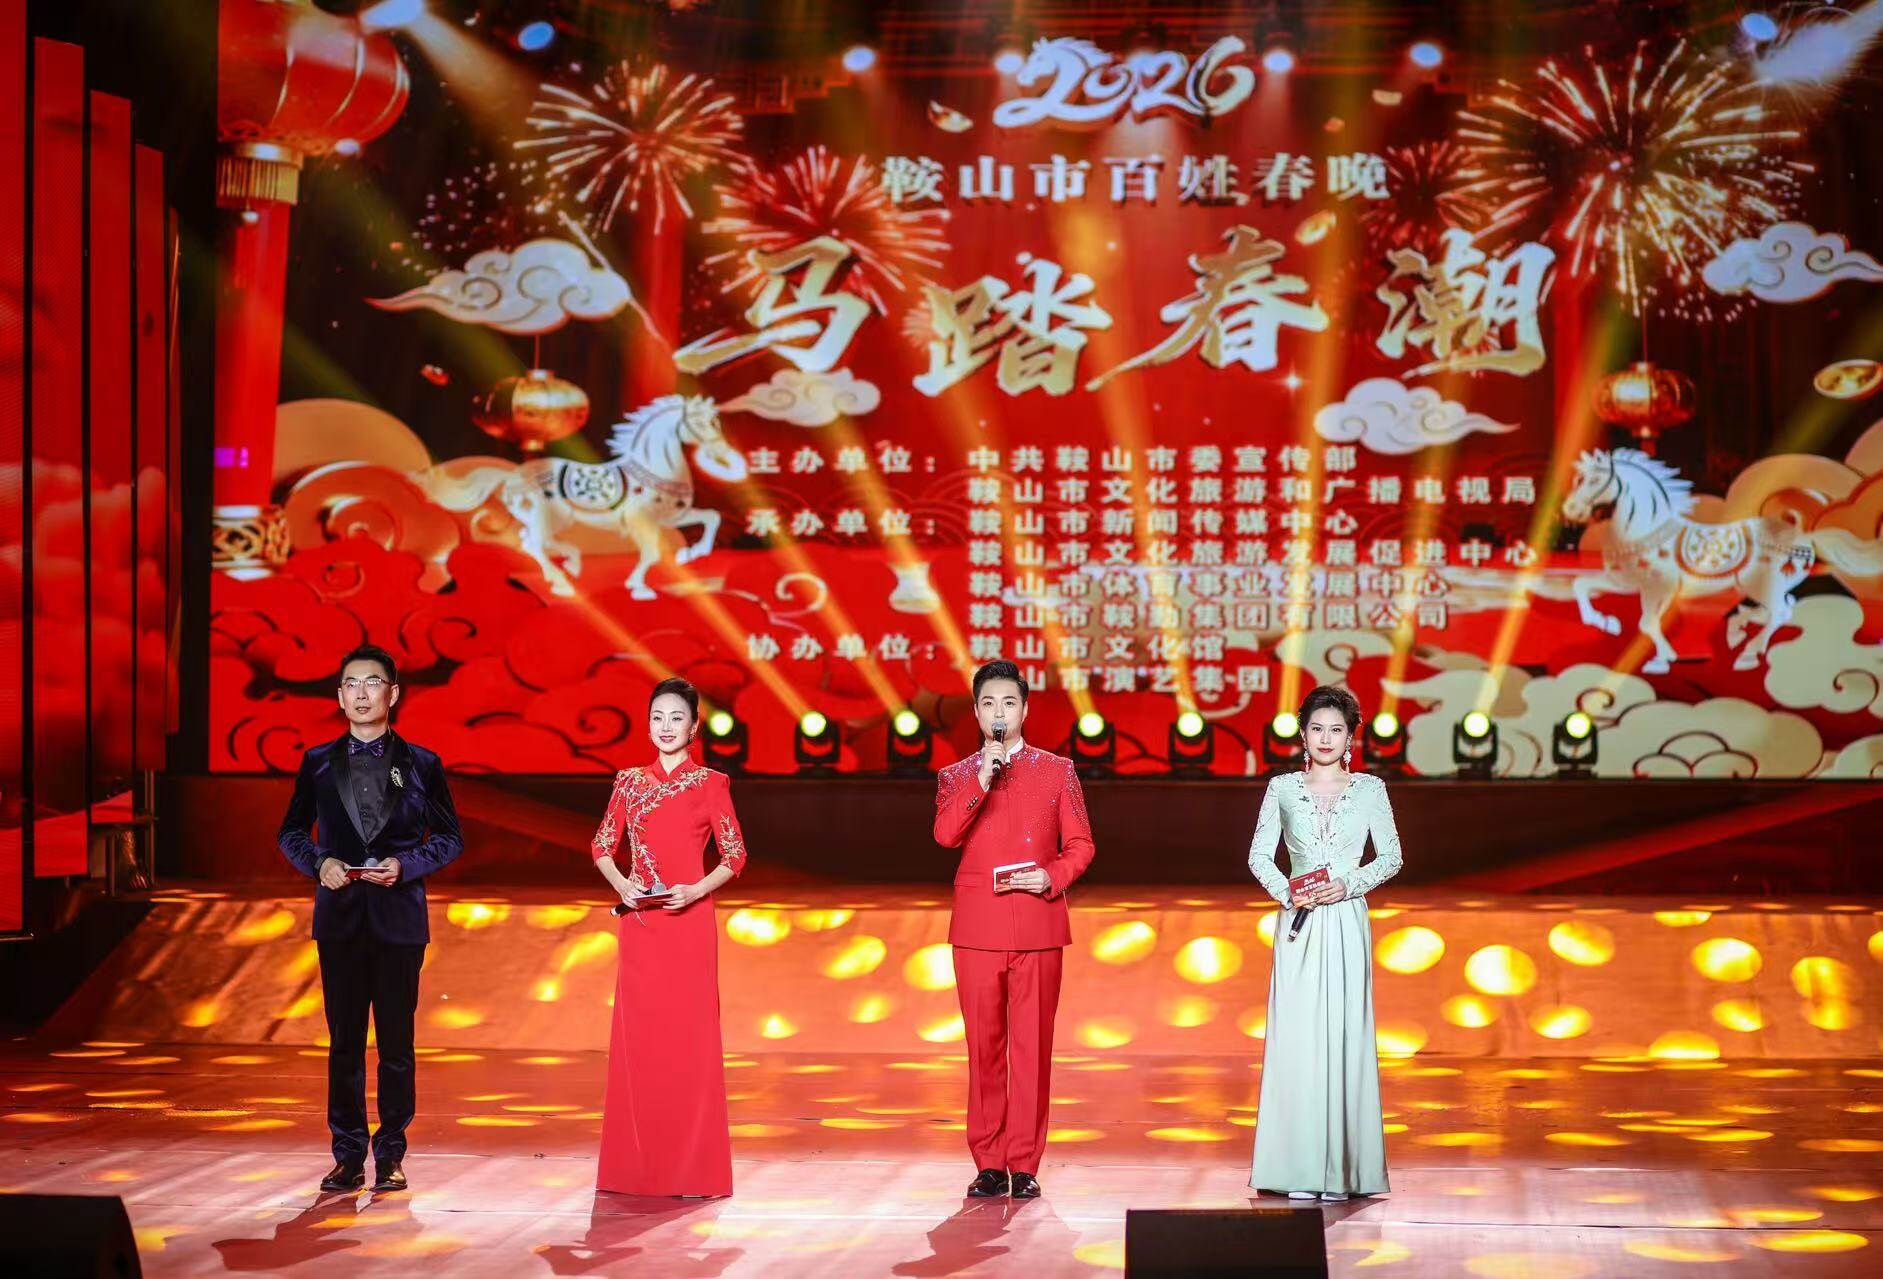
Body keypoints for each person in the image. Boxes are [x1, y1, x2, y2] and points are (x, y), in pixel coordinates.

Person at [277, 644, 464, 1195]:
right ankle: (347, 1155)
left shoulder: (423, 763)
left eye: (373, 682)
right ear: (339, 696)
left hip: (398, 921)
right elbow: (291, 832)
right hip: (340, 920)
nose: (362, 693)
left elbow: (450, 838)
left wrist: (406, 866)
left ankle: (391, 1154)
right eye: (352, 684)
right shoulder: (316, 762)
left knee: (396, 1046)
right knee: (344, 1044)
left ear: (393, 693)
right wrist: (320, 863)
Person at [933, 659, 1095, 1200]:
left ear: (1024, 709)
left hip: (1038, 926)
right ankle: (988, 1161)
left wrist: (1051, 875)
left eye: (1008, 702)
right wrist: (982, 777)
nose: (998, 712)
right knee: (984, 1048)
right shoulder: (956, 775)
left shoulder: (1057, 770)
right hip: (976, 930)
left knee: (1032, 1048)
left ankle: (1024, 1163)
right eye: (988, 703)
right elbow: (945, 835)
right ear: (976, 713)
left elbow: (1081, 844)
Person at [588, 677, 748, 1197]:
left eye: (677, 718)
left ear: (694, 726)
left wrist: (695, 889)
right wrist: (623, 885)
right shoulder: (628, 782)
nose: (666, 726)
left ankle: (693, 1170)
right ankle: (634, 1169)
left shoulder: (711, 783)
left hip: (689, 925)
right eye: (657, 717)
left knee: (689, 1043)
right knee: (640, 1045)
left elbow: (735, 856)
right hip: (640, 926)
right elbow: (602, 845)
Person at [1247, 684, 1403, 1202]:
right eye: (1317, 728)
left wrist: (1349, 884)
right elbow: (1259, 856)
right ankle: (1298, 1168)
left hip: (1346, 919)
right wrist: (1288, 892)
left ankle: (1341, 1172)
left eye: (1337, 730)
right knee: (1297, 1037)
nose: (1326, 738)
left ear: (1351, 737)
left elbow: (1391, 856)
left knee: (1343, 1034)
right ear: (1303, 734)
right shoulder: (1282, 788)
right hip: (1299, 921)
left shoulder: (1371, 790)